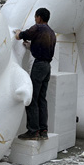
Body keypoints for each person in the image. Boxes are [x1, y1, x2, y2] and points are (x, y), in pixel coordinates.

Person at [14, 7, 56, 140]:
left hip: (38, 66)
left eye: (35, 17)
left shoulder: (38, 28)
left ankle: (33, 131)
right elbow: (43, 47)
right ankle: (43, 130)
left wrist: (18, 32)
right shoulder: (51, 32)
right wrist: (31, 46)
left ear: (39, 17)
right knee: (42, 99)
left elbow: (21, 36)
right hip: (47, 67)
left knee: (32, 98)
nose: (35, 19)